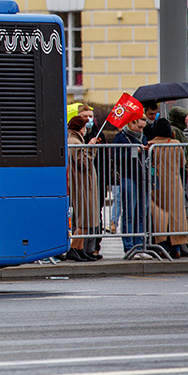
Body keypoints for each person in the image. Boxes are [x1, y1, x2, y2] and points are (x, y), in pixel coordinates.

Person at [64, 106, 101, 262]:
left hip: (84, 185)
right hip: (82, 186)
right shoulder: (74, 141)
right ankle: (74, 248)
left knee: (86, 220)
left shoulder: (75, 140)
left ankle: (79, 249)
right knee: (83, 219)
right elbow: (83, 162)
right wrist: (91, 148)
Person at [148, 118, 188, 258]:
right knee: (176, 217)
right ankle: (176, 248)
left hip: (157, 186)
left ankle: (162, 247)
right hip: (175, 185)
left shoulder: (151, 145)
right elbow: (183, 163)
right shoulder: (177, 144)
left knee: (159, 216)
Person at [115, 114, 150, 253]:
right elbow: (117, 157)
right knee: (129, 213)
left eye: (143, 127)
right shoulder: (121, 137)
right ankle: (129, 247)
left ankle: (140, 245)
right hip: (128, 176)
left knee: (141, 213)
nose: (141, 130)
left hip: (142, 177)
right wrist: (136, 150)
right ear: (131, 123)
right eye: (139, 126)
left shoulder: (143, 137)